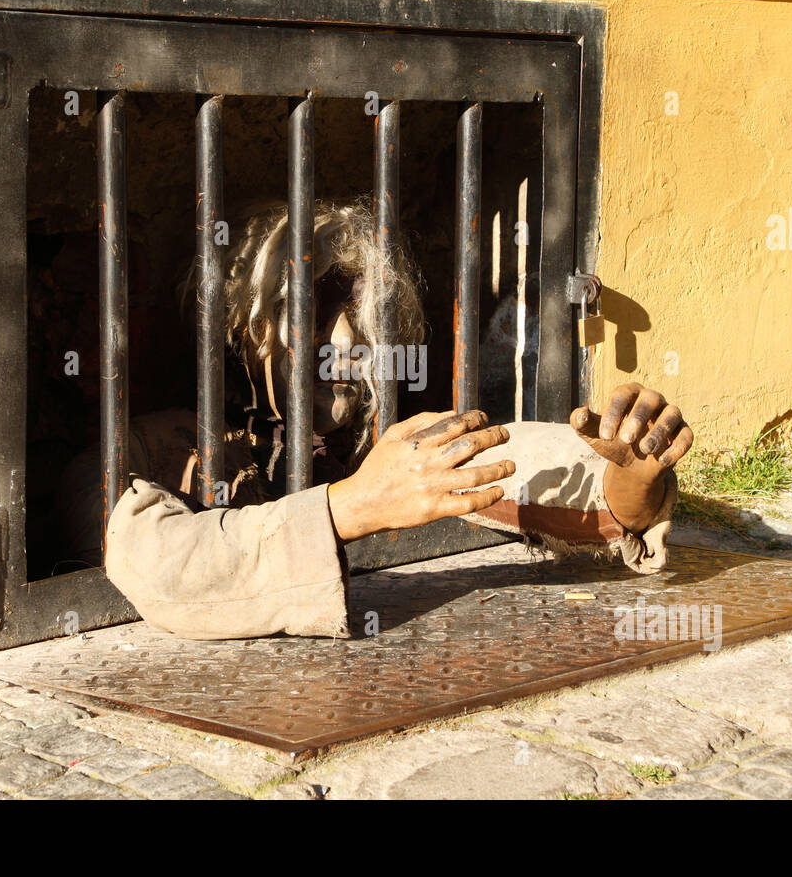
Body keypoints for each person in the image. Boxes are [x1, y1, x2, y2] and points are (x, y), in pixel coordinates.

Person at [57, 200, 692, 640]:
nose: (345, 340)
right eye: (316, 308)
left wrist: (629, 481)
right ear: (251, 334)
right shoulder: (155, 444)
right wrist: (352, 508)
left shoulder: (383, 446)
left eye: (362, 315)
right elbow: (158, 565)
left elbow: (523, 460)